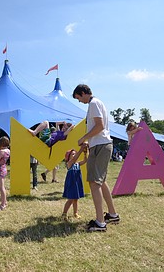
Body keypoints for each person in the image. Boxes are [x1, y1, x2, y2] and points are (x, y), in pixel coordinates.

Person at [73, 84, 119, 232]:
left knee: (94, 182)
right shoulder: (97, 103)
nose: (79, 101)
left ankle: (100, 222)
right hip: (100, 145)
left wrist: (84, 138)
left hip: (100, 145)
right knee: (101, 181)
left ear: (83, 93)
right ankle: (112, 214)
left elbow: (99, 126)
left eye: (78, 98)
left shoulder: (93, 103)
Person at [62, 144, 88, 221]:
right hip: (71, 183)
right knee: (70, 199)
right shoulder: (69, 163)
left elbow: (85, 160)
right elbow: (74, 159)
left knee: (76, 199)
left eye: (75, 154)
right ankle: (64, 213)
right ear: (68, 156)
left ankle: (75, 213)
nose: (74, 155)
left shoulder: (78, 164)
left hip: (76, 183)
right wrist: (81, 149)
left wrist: (85, 152)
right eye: (73, 154)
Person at [0, 136, 10, 210]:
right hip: (4, 168)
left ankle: (3, 204)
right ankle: (5, 201)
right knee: (2, 187)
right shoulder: (7, 150)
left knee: (1, 187)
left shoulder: (1, 152)